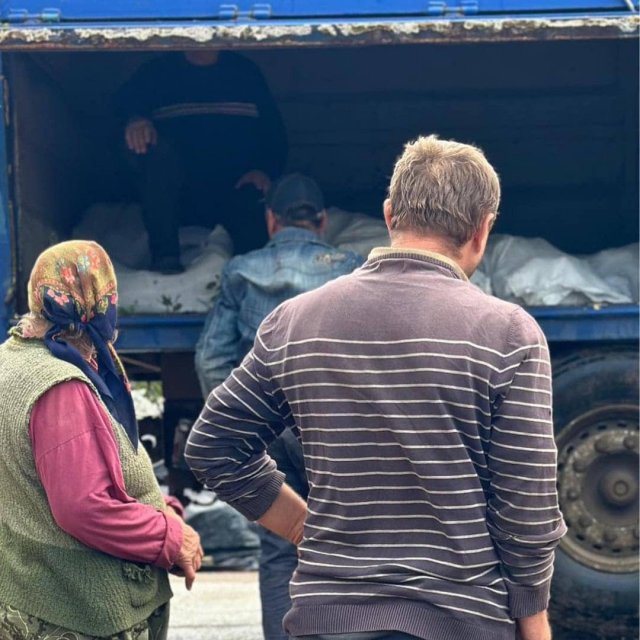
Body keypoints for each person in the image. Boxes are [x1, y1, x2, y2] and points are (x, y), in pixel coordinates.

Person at [185, 135, 567, 640]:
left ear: (389, 216)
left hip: (328, 621)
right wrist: (532, 617)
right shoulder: (510, 334)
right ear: (483, 229)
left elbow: (213, 447)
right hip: (460, 621)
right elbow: (525, 507)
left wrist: (301, 527)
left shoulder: (294, 323)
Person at [0, 241, 203, 639]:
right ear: (97, 299)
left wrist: (162, 510)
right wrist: (170, 537)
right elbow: (84, 507)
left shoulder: (13, 357)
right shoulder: (59, 385)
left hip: (27, 592)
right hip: (73, 611)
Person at [194, 173, 363, 640]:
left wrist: (240, 422)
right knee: (350, 542)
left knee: (278, 548)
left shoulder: (241, 270)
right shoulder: (351, 268)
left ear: (271, 220)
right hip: (333, 427)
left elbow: (210, 358)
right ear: (322, 221)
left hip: (268, 427)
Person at [116, 49, 287, 273]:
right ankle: (165, 261)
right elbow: (119, 109)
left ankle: (248, 275)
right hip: (174, 200)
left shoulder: (244, 72)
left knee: (254, 204)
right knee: (158, 155)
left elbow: (274, 135)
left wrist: (262, 170)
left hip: (235, 189)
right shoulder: (157, 73)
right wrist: (135, 119)